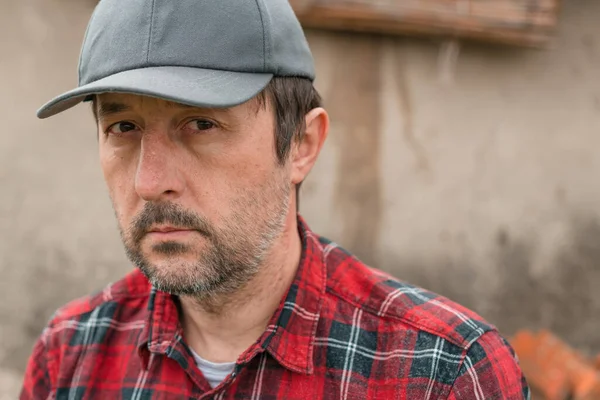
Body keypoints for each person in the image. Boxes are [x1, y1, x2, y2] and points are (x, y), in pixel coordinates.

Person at [21, 0, 530, 399]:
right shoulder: (69, 357)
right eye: (123, 127)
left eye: (201, 123)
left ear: (301, 146)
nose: (149, 182)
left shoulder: (441, 375)